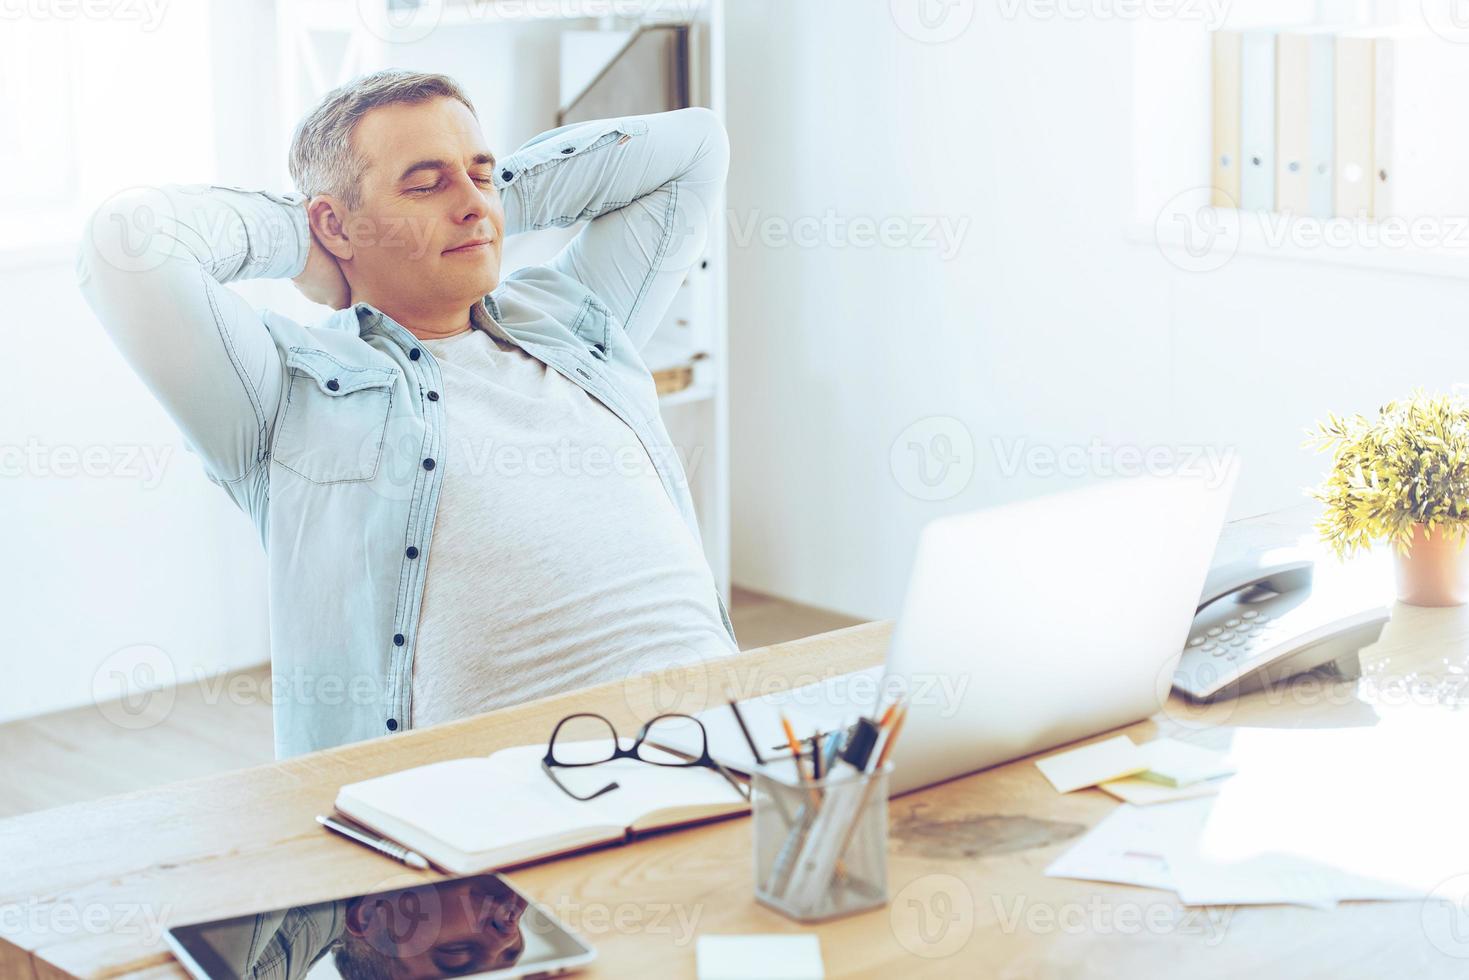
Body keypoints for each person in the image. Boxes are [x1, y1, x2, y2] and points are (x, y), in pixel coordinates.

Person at [77, 70, 736, 758]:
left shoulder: (575, 321)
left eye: (483, 174)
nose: (474, 207)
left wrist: (477, 195)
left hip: (726, 737)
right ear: (334, 221)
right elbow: (126, 240)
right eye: (424, 185)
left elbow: (693, 145)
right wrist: (307, 239)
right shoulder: (283, 394)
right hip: (508, 800)